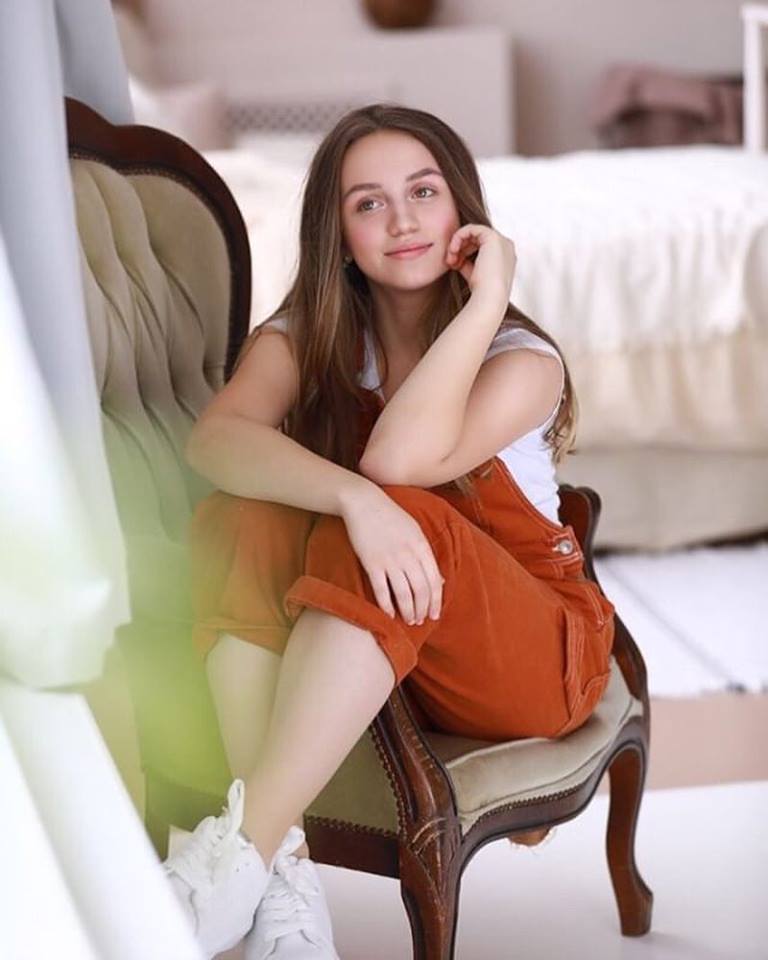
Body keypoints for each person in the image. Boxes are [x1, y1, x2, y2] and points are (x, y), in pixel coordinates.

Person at [162, 103, 616, 959]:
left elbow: (400, 462)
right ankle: (283, 881)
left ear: (464, 212)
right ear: (338, 234)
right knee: (240, 517)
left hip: (538, 652)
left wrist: (486, 300)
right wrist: (353, 501)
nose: (402, 220)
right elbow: (215, 442)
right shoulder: (311, 338)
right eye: (368, 203)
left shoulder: (520, 359)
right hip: (394, 638)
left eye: (423, 192)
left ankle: (237, 859)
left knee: (398, 508)